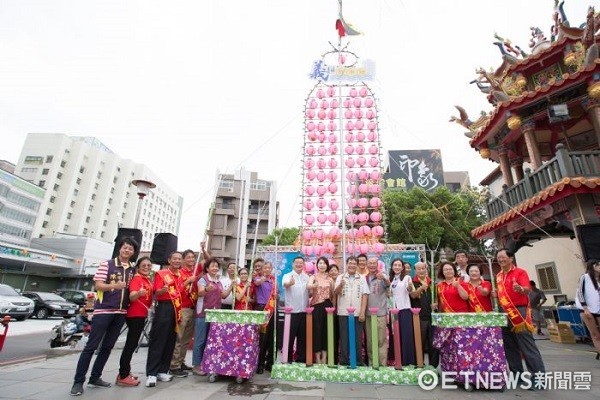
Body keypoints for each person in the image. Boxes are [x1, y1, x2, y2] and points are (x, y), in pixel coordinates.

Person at [70, 237, 138, 397]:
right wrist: (114, 286)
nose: (127, 251)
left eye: (130, 249)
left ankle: (95, 377)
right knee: (91, 346)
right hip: (104, 311)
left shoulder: (131, 270)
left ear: (133, 252)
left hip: (121, 313)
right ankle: (78, 382)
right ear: (120, 248)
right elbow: (98, 285)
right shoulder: (107, 264)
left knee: (107, 347)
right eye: (125, 247)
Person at [495, 248, 545, 377]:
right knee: (509, 346)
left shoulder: (520, 272)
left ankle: (538, 377)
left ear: (511, 258)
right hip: (503, 312)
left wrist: (520, 289)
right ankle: (517, 375)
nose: (500, 259)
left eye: (503, 257)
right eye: (498, 257)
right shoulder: (499, 276)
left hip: (519, 311)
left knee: (527, 345)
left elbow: (527, 290)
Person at [146, 252, 184, 387]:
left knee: (170, 341)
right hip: (164, 308)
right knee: (158, 340)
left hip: (176, 310)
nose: (177, 261)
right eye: (175, 258)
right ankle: (151, 373)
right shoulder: (161, 274)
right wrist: (163, 290)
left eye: (179, 259)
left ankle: (163, 370)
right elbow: (156, 292)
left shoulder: (180, 276)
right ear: (169, 260)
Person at [169, 245, 207, 377]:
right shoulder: (180, 273)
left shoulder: (195, 270)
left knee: (186, 338)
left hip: (193, 308)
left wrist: (203, 250)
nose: (191, 259)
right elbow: (175, 289)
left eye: (193, 257)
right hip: (183, 308)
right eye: (188, 257)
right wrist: (187, 282)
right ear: (183, 260)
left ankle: (181, 361)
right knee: (179, 338)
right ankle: (173, 365)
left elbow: (208, 262)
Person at [191, 258, 232, 376]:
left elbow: (223, 296)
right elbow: (199, 293)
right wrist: (206, 290)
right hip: (203, 313)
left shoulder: (218, 282)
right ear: (207, 268)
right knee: (200, 340)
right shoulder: (203, 279)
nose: (215, 268)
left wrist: (231, 287)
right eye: (212, 266)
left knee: (211, 340)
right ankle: (197, 365)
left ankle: (207, 363)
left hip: (215, 314)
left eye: (216, 266)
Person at [117, 256, 153, 386]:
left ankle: (125, 372)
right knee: (130, 345)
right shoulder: (137, 279)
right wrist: (139, 293)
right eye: (143, 265)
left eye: (149, 265)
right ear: (138, 267)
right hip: (135, 315)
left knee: (132, 344)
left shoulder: (147, 279)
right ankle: (123, 375)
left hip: (142, 315)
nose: (146, 267)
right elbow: (132, 296)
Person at [334, 256, 369, 366]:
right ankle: (344, 361)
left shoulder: (362, 278)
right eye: (350, 263)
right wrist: (341, 285)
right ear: (346, 264)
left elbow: (365, 295)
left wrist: (362, 312)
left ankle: (358, 361)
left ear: (357, 265)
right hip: (343, 312)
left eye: (354, 263)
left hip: (357, 313)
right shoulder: (340, 277)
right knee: (344, 337)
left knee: (358, 338)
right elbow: (336, 292)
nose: (352, 265)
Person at [409, 261, 438, 367]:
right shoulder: (412, 282)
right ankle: (419, 364)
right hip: (419, 317)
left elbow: (437, 298)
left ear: (426, 269)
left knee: (433, 344)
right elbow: (413, 295)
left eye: (423, 268)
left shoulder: (432, 282)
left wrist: (436, 303)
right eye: (419, 269)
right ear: (415, 271)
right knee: (419, 342)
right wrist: (421, 288)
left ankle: (433, 367)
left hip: (432, 317)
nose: (421, 271)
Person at [282, 256, 310, 363]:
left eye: (301, 263)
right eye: (297, 263)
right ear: (293, 264)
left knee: (302, 337)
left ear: (303, 265)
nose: (299, 265)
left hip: (304, 311)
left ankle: (301, 359)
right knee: (290, 337)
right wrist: (290, 283)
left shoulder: (306, 277)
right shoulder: (287, 275)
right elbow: (285, 284)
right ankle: (287, 359)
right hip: (291, 313)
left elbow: (310, 290)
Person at [390, 258, 416, 365]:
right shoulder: (391, 279)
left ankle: (408, 361)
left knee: (406, 336)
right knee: (396, 335)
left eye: (399, 265)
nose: (397, 267)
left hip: (404, 310)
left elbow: (410, 290)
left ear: (402, 267)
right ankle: (397, 361)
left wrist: (410, 287)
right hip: (393, 311)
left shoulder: (407, 277)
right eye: (395, 265)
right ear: (392, 267)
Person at [308, 257, 334, 364]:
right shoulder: (313, 277)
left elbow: (332, 294)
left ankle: (325, 357)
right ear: (317, 265)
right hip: (316, 306)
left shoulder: (330, 279)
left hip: (327, 306)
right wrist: (313, 286)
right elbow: (308, 286)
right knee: (317, 332)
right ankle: (317, 358)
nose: (322, 265)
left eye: (324, 263)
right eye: (320, 263)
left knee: (326, 331)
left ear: (327, 265)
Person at [365, 257, 390, 367]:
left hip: (380, 314)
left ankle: (382, 364)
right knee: (370, 341)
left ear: (377, 265)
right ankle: (372, 363)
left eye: (374, 263)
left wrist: (384, 279)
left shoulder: (382, 276)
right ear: (367, 265)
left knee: (381, 340)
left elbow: (388, 284)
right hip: (368, 314)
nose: (372, 265)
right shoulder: (364, 278)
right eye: (370, 263)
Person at [254, 260, 276, 374]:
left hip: (272, 310)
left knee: (271, 337)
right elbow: (256, 283)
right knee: (262, 337)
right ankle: (260, 364)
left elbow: (276, 294)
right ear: (262, 269)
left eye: (269, 268)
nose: (267, 269)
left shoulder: (273, 281)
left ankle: (270, 363)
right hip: (262, 309)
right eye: (265, 268)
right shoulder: (258, 278)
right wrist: (263, 278)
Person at [576, 259, 600, 353]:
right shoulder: (585, 277)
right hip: (587, 309)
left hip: (598, 309)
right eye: (599, 265)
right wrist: (585, 308)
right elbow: (580, 292)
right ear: (593, 266)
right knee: (595, 335)